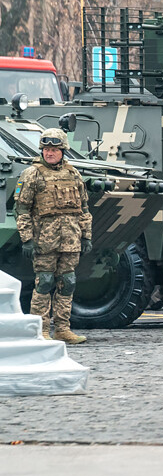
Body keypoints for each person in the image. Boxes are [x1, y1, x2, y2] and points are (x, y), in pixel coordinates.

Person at [17, 128, 93, 344]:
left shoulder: (73, 174)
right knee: (44, 282)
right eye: (46, 149)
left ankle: (62, 329)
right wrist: (27, 239)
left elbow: (84, 208)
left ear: (63, 151)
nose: (49, 153)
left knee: (67, 282)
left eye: (54, 149)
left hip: (70, 239)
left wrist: (86, 236)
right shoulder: (32, 174)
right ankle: (39, 330)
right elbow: (22, 209)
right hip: (44, 241)